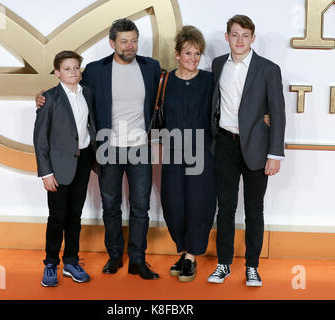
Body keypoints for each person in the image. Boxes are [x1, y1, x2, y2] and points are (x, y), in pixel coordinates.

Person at [36, 19, 161, 280]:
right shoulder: (95, 70)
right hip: (108, 149)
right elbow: (70, 91)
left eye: (134, 40)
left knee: (140, 207)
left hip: (140, 148)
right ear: (112, 43)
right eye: (124, 41)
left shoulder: (152, 67)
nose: (130, 46)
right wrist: (42, 97)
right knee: (111, 205)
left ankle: (138, 260)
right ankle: (114, 256)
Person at [207, 15, 286, 287]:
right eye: (235, 34)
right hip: (225, 145)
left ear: (253, 38)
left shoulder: (268, 69)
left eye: (245, 35)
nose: (239, 40)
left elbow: (277, 113)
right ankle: (223, 264)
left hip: (256, 148)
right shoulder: (218, 65)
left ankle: (252, 266)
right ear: (226, 36)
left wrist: (275, 154)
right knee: (225, 208)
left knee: (254, 209)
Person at [33, 51, 97, 287]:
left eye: (77, 67)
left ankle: (71, 261)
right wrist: (46, 173)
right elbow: (40, 139)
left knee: (74, 216)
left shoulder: (86, 93)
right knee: (57, 217)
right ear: (57, 72)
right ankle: (50, 263)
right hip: (58, 167)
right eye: (68, 68)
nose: (73, 72)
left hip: (82, 162)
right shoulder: (49, 98)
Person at [158, 26, 216, 282]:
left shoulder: (209, 81)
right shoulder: (164, 80)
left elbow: (236, 102)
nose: (193, 59)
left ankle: (192, 256)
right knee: (173, 203)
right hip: (170, 151)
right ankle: (183, 250)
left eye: (197, 54)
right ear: (177, 54)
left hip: (201, 151)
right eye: (188, 53)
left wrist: (264, 115)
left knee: (199, 203)